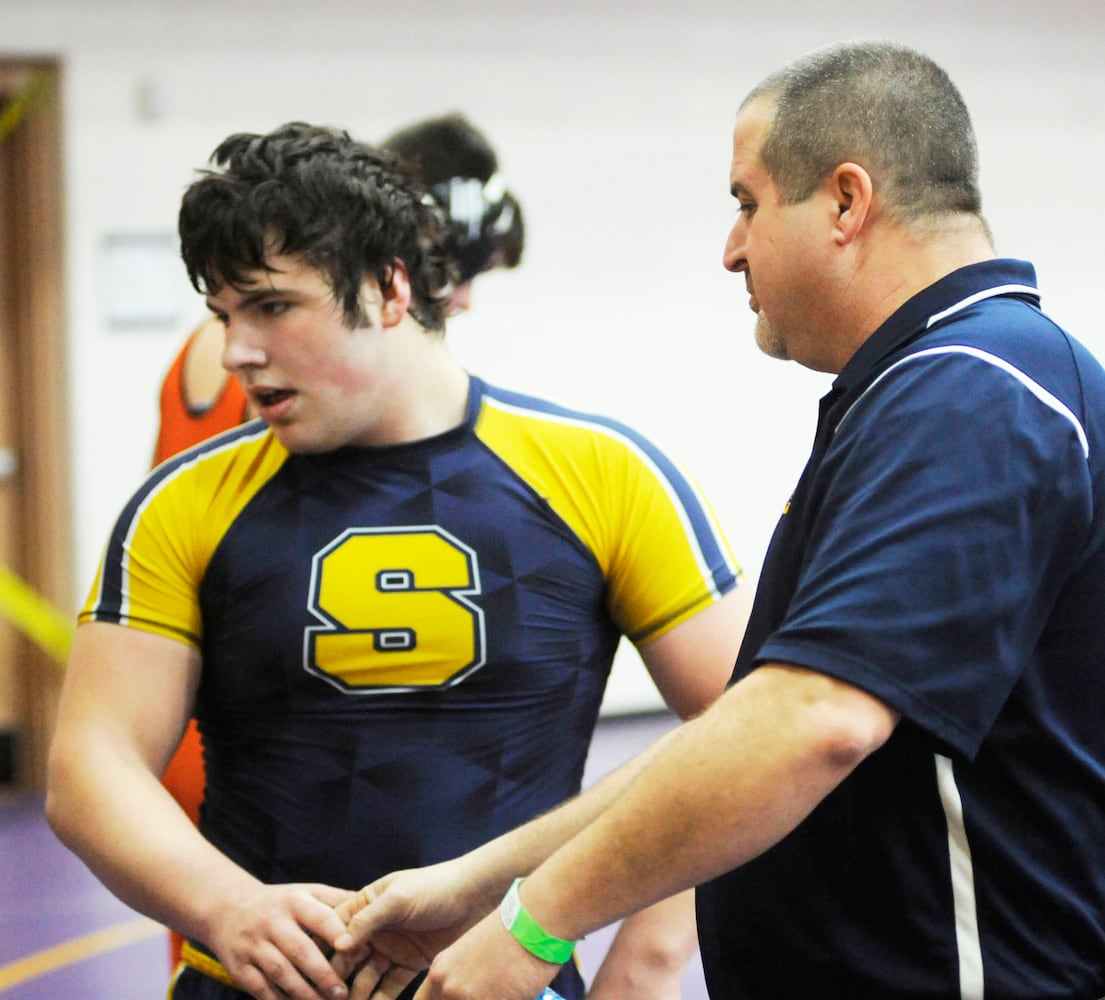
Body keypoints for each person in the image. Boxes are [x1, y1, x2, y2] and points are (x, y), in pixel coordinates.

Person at [331, 39, 1105, 1000]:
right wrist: (484, 886)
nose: (729, 248)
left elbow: (811, 722)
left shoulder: (972, 392)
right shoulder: (932, 387)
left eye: (745, 203)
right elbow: (745, 725)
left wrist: (537, 924)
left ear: (845, 201)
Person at [45, 120, 751, 1000]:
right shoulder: (181, 503)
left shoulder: (602, 475)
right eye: (223, 316)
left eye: (270, 306)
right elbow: (90, 763)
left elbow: (743, 731)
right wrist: (226, 906)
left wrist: (644, 964)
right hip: (246, 984)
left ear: (387, 289)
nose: (236, 353)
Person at [149, 113, 537, 977]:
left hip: (211, 681)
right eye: (461, 280)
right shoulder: (284, 374)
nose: (463, 303)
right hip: (251, 707)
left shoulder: (215, 353)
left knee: (239, 949)